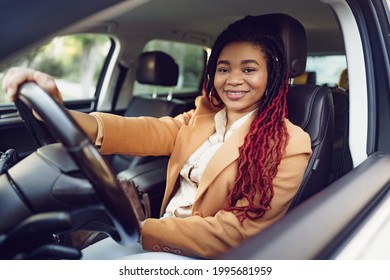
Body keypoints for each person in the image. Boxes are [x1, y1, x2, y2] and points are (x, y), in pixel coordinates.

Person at [2, 15, 312, 259]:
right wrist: (60, 112)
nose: (232, 80)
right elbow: (139, 131)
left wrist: (145, 230)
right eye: (223, 68)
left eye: (248, 69)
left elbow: (238, 233)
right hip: (155, 236)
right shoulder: (201, 118)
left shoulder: (289, 144)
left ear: (271, 76)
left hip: (204, 259)